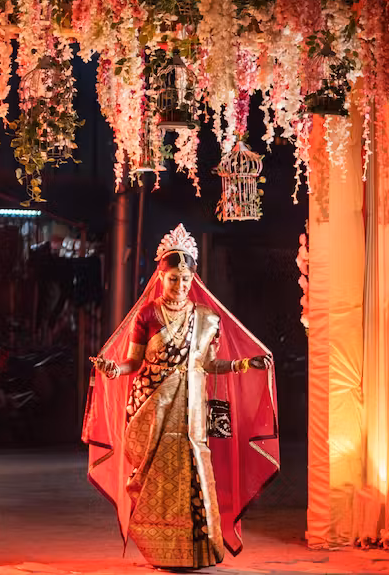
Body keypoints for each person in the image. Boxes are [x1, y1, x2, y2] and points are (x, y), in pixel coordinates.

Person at [84, 225, 278, 570]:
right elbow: (134, 361)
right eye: (174, 278)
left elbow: (207, 364)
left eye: (187, 279)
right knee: (155, 482)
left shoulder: (206, 318)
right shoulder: (146, 315)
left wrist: (245, 363)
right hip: (153, 408)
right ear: (162, 277)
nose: (181, 286)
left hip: (191, 413)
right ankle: (160, 550)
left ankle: (198, 550)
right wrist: (114, 369)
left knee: (194, 475)